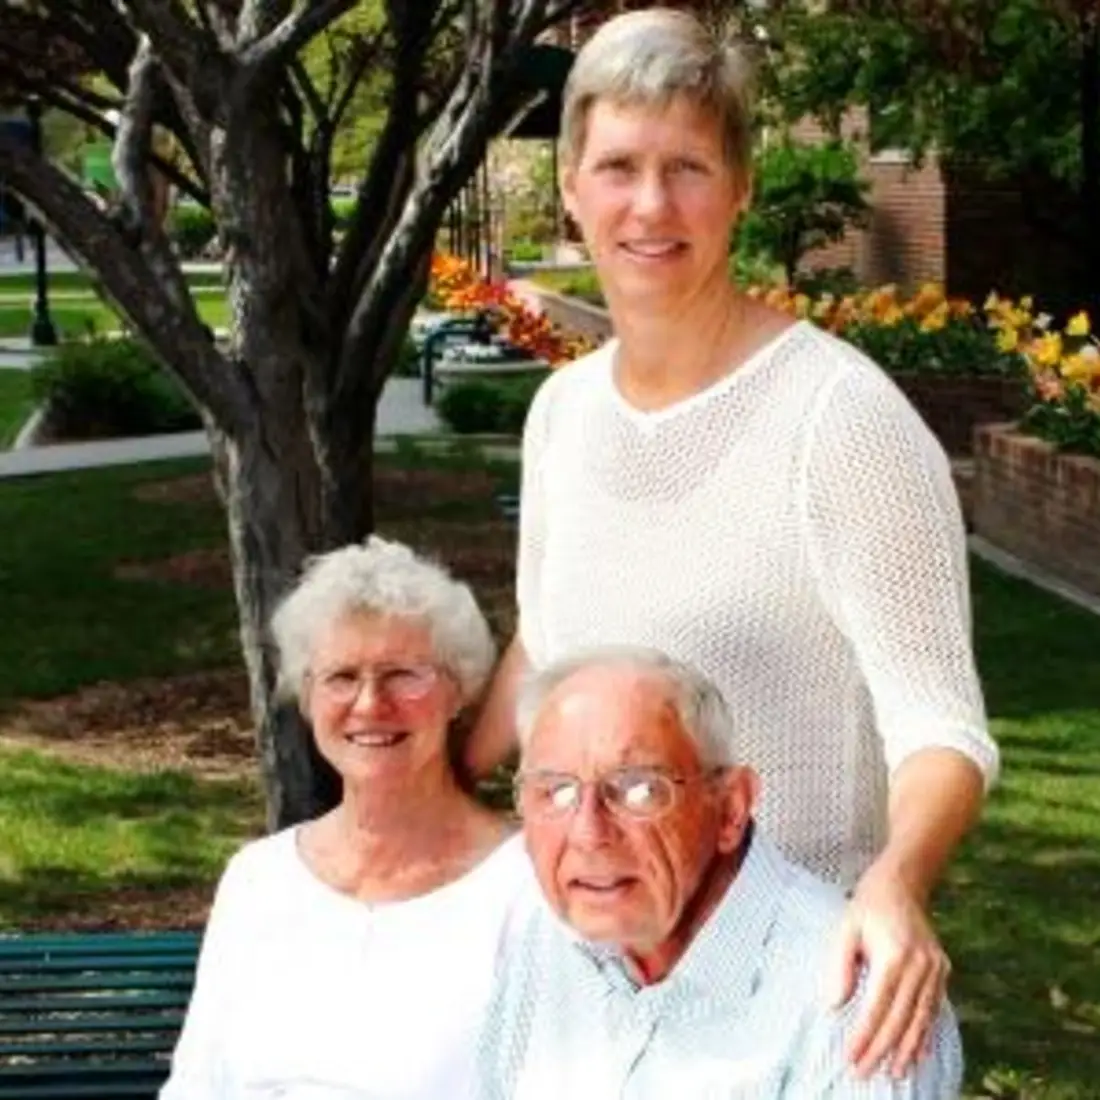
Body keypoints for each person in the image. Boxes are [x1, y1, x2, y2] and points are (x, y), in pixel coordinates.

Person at [466, 7, 1000, 1079]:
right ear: (569, 184)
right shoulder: (561, 414)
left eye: (688, 167)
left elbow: (938, 721)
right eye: (617, 165)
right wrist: (422, 783)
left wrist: (896, 883)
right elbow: (547, 642)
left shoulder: (836, 418)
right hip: (594, 978)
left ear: (741, 185)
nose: (650, 205)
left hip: (786, 995)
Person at [478, 647, 963, 1099]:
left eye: (638, 790)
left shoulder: (854, 998)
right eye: (555, 791)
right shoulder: (543, 933)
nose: (588, 832)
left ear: (731, 808)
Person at [161, 537, 526, 1099]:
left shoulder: (523, 885)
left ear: (459, 690)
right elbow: (196, 1087)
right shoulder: (258, 880)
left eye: (404, 674)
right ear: (307, 698)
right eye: (341, 677)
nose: (370, 704)